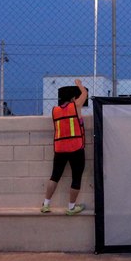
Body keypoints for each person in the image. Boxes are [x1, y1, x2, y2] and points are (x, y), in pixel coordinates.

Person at [41, 79, 88, 215]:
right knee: (76, 177)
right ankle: (71, 208)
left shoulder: (54, 111)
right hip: (76, 147)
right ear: (73, 98)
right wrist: (79, 84)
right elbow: (84, 93)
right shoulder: (75, 106)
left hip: (60, 148)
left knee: (55, 176)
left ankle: (46, 204)